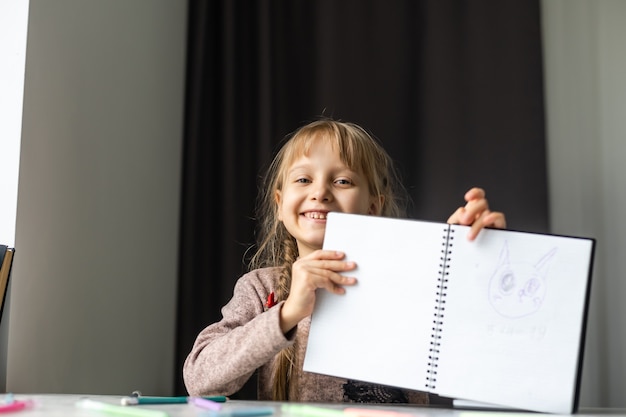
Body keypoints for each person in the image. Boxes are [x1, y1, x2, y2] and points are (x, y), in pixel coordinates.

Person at [183, 119, 506, 403]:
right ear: (280, 205)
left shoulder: (414, 278)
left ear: (372, 207)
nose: (320, 192)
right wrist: (289, 312)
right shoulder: (260, 287)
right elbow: (201, 381)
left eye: (342, 181)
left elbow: (484, 352)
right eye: (303, 179)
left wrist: (471, 261)